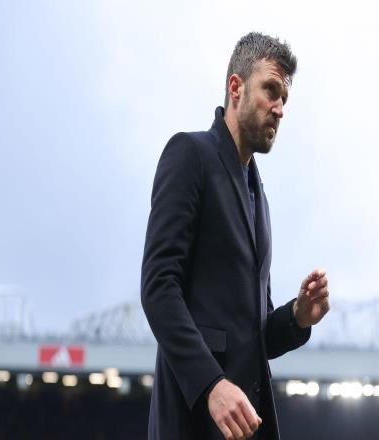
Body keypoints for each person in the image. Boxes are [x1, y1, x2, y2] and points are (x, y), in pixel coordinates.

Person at [141, 32, 330, 440]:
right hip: (192, 422)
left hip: (247, 426)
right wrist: (210, 384)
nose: (280, 109)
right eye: (271, 90)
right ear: (236, 87)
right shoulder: (188, 155)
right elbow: (158, 288)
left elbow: (254, 336)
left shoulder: (259, 197)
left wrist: (297, 317)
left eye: (285, 99)